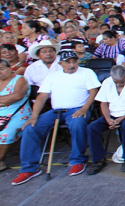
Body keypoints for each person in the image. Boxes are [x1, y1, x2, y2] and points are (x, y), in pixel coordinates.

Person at [11, 48, 101, 185]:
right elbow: (42, 97)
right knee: (30, 128)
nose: (71, 65)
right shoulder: (53, 76)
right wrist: (34, 116)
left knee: (77, 124)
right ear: (60, 64)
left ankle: (78, 160)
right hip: (56, 111)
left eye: (74, 61)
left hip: (78, 109)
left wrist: (85, 108)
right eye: (67, 62)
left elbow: (93, 92)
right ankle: (30, 168)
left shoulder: (87, 72)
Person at [86, 64, 125, 173]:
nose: (119, 84)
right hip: (113, 114)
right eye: (116, 81)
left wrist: (124, 117)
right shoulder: (107, 82)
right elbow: (103, 103)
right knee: (92, 127)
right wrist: (107, 119)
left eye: (122, 81)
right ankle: (99, 160)